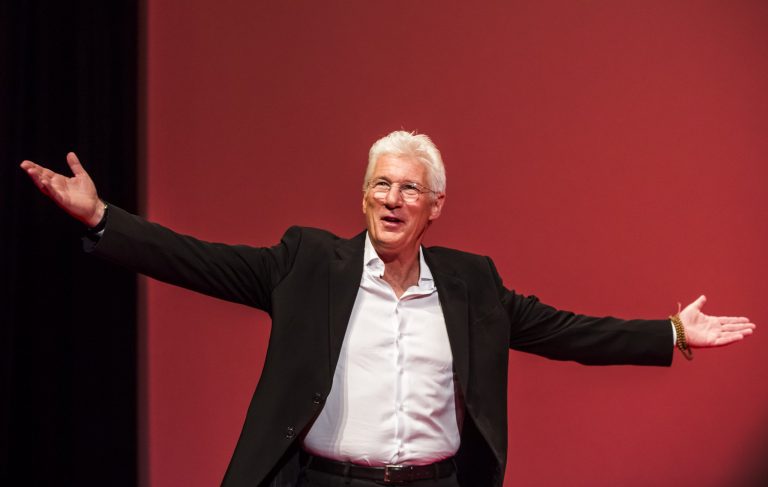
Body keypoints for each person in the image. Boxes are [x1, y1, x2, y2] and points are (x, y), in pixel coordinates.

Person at [20, 131, 755, 487]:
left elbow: (565, 330)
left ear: (435, 205)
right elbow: (199, 259)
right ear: (363, 195)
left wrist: (671, 333)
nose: (390, 199)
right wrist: (102, 218)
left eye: (408, 188)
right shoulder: (309, 264)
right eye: (380, 185)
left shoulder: (471, 284)